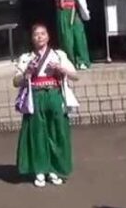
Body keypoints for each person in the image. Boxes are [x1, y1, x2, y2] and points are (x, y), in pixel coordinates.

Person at [14, 23, 79, 188]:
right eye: (36, 34)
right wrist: (28, 72)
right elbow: (15, 81)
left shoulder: (58, 55)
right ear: (32, 38)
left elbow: (75, 76)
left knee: (57, 132)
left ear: (48, 37)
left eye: (43, 33)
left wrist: (60, 68)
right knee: (38, 133)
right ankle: (40, 170)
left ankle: (55, 169)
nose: (40, 37)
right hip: (36, 96)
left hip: (55, 95)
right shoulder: (26, 58)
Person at [34, 0, 91, 69]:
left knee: (78, 34)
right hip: (63, 9)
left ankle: (82, 61)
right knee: (66, 37)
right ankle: (69, 61)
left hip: (74, 9)